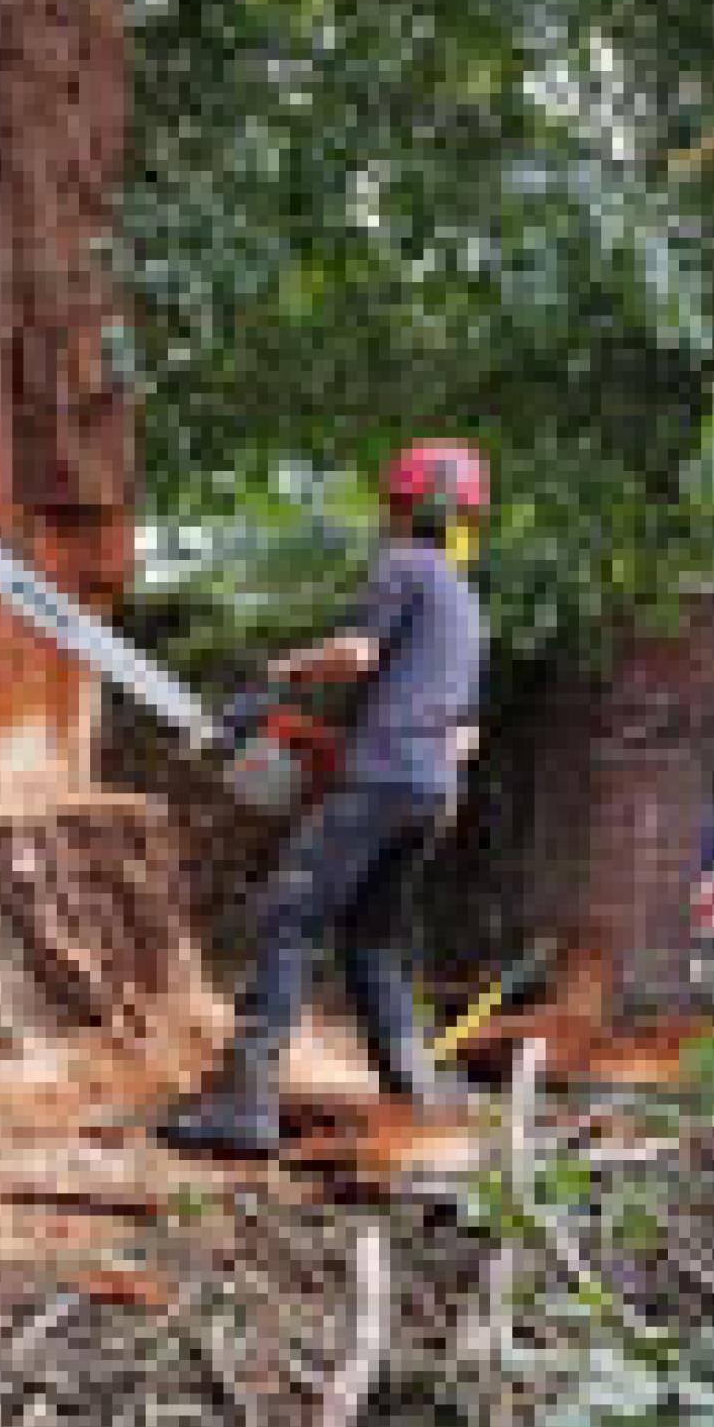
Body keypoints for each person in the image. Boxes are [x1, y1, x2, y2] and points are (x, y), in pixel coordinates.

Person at [159, 442, 489, 1157]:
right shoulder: (465, 605)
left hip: (383, 779)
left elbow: (358, 655)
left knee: (288, 917)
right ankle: (413, 1089)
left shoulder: (403, 567)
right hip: (430, 789)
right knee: (372, 939)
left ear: (401, 508)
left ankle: (245, 1104)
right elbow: (457, 730)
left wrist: (279, 672)